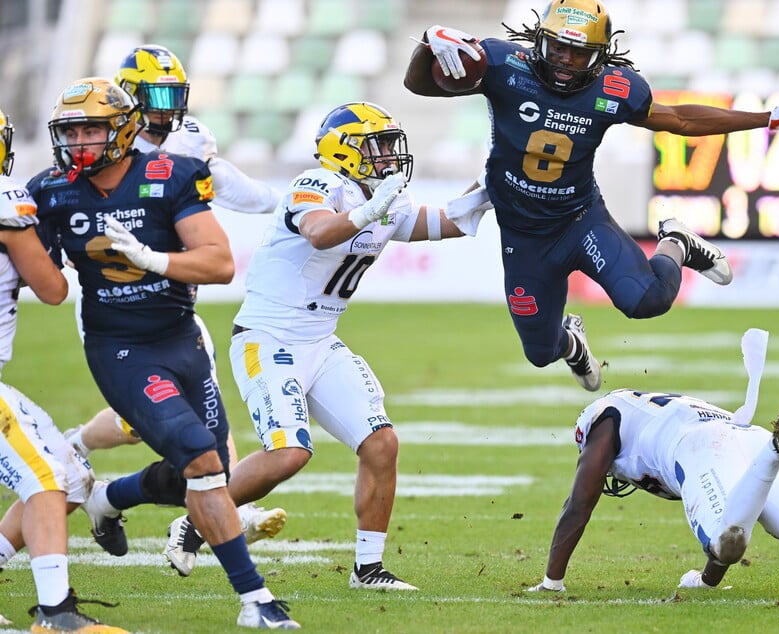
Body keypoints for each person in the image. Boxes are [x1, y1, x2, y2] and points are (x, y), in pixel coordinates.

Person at [404, 0, 779, 392]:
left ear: (600, 57)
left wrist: (764, 118)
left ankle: (677, 242)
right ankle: (573, 345)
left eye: (579, 53)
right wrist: (430, 42)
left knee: (647, 300)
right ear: (538, 41)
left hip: (578, 220)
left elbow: (678, 120)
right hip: (523, 234)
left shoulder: (615, 89)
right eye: (559, 47)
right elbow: (418, 84)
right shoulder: (500, 65)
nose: (566, 60)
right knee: (540, 352)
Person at [164, 101, 472, 589]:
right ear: (345, 151)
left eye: (391, 144)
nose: (389, 155)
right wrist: (371, 209)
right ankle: (195, 518)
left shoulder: (382, 196)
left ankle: (367, 569)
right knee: (289, 454)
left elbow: (447, 222)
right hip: (268, 337)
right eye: (379, 145)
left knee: (381, 443)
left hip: (320, 340)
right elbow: (319, 231)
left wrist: (498, 187)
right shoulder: (319, 183)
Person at [27, 77, 298, 629]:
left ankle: (108, 499)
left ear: (123, 129)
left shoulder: (169, 174)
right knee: (200, 455)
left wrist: (152, 259)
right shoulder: (50, 191)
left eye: (92, 129)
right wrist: (15, 231)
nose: (79, 142)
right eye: (71, 131)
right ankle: (255, 599)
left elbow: (220, 264)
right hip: (119, 346)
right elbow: (50, 288)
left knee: (210, 470)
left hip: (180, 336)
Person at [60, 44, 287, 553]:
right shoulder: (102, 145)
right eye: (156, 95)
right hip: (116, 303)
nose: (168, 107)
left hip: (174, 300)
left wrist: (287, 200)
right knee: (143, 421)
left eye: (174, 95)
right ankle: (79, 453)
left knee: (197, 410)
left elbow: (224, 181)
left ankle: (215, 501)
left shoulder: (190, 138)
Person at [525, 332, 779, 591]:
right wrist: (706, 580)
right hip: (744, 438)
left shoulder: (605, 418)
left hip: (703, 445)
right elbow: (729, 531)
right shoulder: (656, 411)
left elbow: (578, 505)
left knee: (726, 539)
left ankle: (778, 448)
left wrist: (552, 581)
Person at [0, 108, 127, 632]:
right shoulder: (6, 199)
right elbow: (53, 290)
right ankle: (56, 614)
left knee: (70, 476)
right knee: (49, 478)